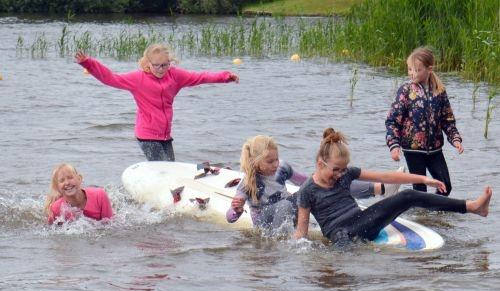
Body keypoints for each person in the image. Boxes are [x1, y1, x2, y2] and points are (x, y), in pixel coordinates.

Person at [294, 128, 492, 244]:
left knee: (407, 197)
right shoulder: (307, 191)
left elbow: (386, 176)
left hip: (363, 221)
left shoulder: (347, 174)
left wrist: (423, 180)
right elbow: (301, 232)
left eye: (343, 169)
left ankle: (472, 207)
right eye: (336, 170)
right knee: (344, 259)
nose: (340, 174)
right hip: (339, 234)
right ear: (321, 164)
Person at [75, 43, 239, 161]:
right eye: (156, 66)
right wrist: (88, 63)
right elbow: (111, 78)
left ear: (169, 62)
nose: (161, 69)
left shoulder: (175, 76)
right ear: (147, 63)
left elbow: (200, 77)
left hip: (165, 136)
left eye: (165, 65)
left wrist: (225, 77)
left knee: (171, 168)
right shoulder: (137, 79)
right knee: (163, 170)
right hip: (147, 136)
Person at [226, 135, 402, 233]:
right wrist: (237, 210)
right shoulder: (248, 182)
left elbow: (306, 181)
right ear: (256, 162)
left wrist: (322, 179)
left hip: (289, 209)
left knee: (329, 182)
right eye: (270, 161)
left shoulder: (282, 168)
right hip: (266, 222)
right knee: (285, 205)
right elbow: (230, 217)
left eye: (276, 159)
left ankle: (381, 189)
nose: (275, 164)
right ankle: (284, 239)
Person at [386, 46, 463, 196]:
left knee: (445, 186)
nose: (412, 74)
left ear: (429, 69)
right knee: (420, 191)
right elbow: (392, 121)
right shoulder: (405, 91)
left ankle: (435, 216)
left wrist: (455, 138)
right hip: (412, 150)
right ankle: (421, 216)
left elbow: (447, 119)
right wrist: (394, 145)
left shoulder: (439, 91)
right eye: (409, 69)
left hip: (435, 150)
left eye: (417, 70)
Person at [44, 163, 113, 225]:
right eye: (62, 180)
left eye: (70, 177)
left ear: (79, 179)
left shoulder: (100, 195)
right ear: (57, 188)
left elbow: (110, 225)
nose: (67, 183)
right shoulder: (56, 208)